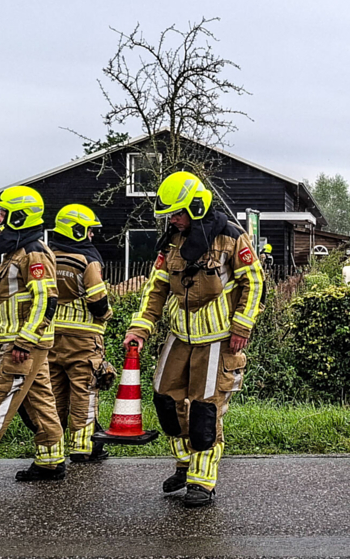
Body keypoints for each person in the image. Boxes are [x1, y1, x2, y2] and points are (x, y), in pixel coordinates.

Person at [124, 171, 265, 507]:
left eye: (178, 213)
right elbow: (155, 289)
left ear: (197, 206)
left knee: (205, 411)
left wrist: (242, 326)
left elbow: (255, 282)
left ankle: (202, 481)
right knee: (165, 400)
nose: (173, 220)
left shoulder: (231, 237)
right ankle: (185, 464)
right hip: (179, 336)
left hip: (218, 339)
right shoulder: (172, 240)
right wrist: (139, 328)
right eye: (169, 215)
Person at [0, 186, 67, 481]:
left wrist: (25, 340)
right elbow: (5, 300)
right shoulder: (16, 251)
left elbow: (46, 299)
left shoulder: (33, 253)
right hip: (18, 341)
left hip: (21, 344)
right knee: (40, 400)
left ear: (19, 217)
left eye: (3, 213)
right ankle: (50, 460)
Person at [49, 204, 114, 463]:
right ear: (75, 230)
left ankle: (52, 448)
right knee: (84, 393)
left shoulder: (46, 257)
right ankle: (83, 448)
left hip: (51, 339)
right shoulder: (88, 261)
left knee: (53, 395)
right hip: (84, 342)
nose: (91, 236)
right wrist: (108, 315)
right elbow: (98, 303)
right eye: (88, 231)